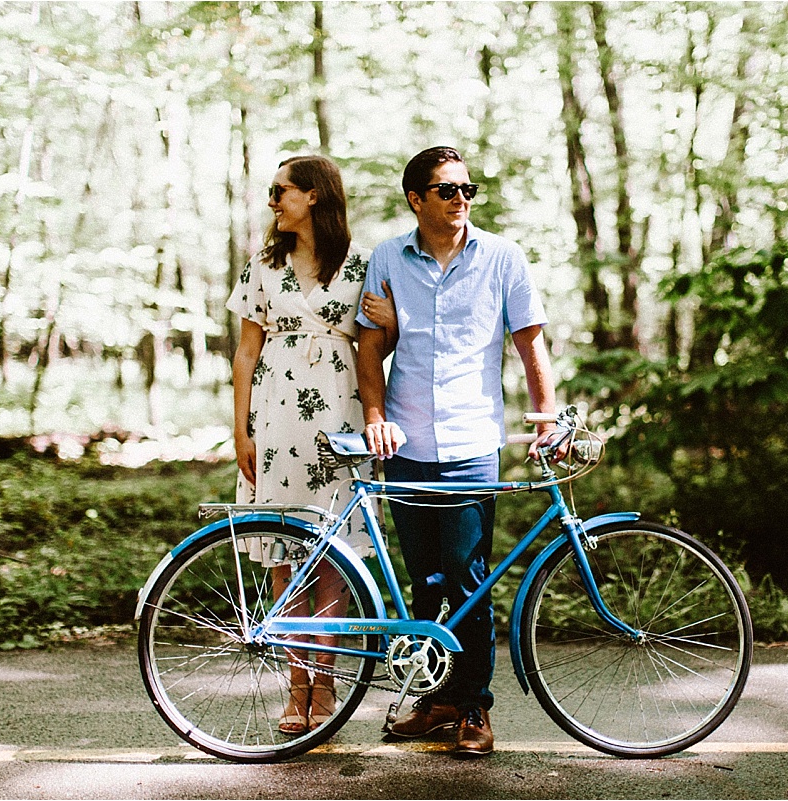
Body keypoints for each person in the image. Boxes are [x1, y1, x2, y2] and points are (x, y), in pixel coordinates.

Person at [355, 146, 560, 757]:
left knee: (468, 580)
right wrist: (374, 414)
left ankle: (473, 707)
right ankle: (436, 699)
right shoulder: (388, 257)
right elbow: (370, 349)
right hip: (406, 440)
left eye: (468, 189)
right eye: (447, 190)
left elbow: (530, 344)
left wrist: (547, 415)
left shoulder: (502, 257)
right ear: (416, 199)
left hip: (472, 443)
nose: (461, 200)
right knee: (425, 579)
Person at [228, 154, 395, 736]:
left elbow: (380, 344)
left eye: (281, 191)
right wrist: (240, 428)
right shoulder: (263, 265)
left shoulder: (363, 265)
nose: (273, 201)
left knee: (331, 554)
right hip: (276, 418)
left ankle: (327, 683)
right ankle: (294, 686)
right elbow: (246, 352)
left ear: (315, 197)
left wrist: (390, 321)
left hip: (341, 415)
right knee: (282, 552)